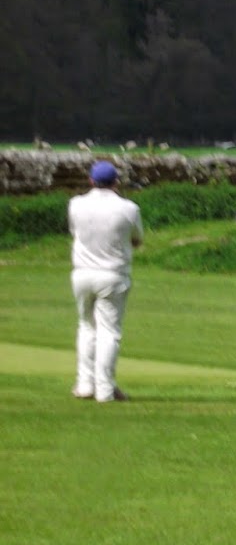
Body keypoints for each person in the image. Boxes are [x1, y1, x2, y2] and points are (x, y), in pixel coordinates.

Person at [68, 161, 144, 402]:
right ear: (116, 182)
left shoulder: (76, 204)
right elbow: (137, 239)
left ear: (91, 181)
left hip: (82, 273)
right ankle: (105, 389)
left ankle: (84, 385)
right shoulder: (129, 208)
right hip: (113, 275)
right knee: (109, 332)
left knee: (87, 327)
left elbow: (75, 233)